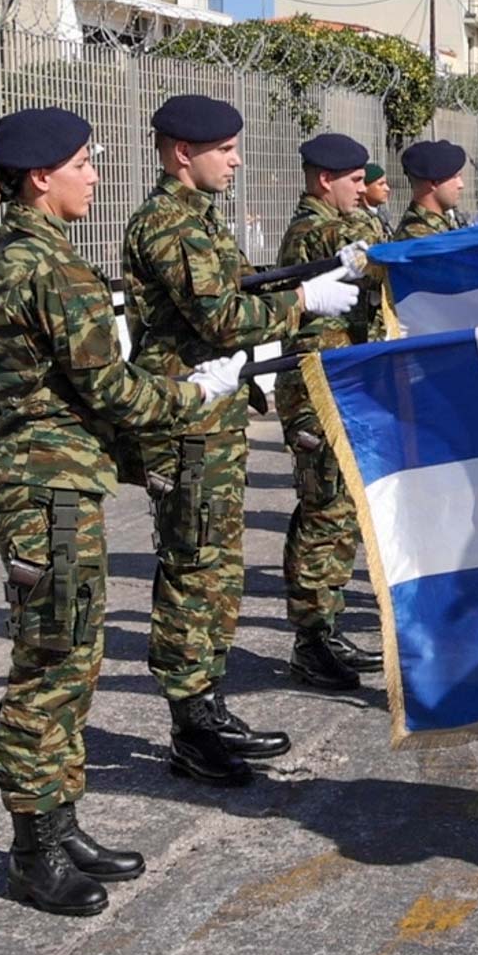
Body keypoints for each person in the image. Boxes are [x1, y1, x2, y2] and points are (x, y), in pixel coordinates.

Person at [0, 106, 248, 917]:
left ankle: (60, 825)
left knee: (70, 658)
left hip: (37, 472)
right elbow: (115, 391)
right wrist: (194, 391)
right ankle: (34, 853)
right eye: (83, 163)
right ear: (42, 177)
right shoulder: (54, 271)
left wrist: (16, 390)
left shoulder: (3, 257)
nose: (95, 175)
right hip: (49, 486)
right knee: (53, 667)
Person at [121, 94, 364, 786]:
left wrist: (299, 282)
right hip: (185, 420)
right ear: (181, 154)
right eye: (222, 151)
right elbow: (224, 318)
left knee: (218, 571)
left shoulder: (198, 219)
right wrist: (304, 302)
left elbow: (229, 296)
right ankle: (191, 724)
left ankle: (206, 707)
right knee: (195, 568)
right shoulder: (169, 224)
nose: (235, 161)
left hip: (213, 417)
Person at [274, 132, 389, 688]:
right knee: (324, 512)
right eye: (356, 181)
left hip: (340, 383)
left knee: (340, 511)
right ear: (326, 180)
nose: (363, 191)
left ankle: (326, 626)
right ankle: (312, 637)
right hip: (316, 388)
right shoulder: (319, 229)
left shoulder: (339, 226)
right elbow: (381, 260)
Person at [394, 139, 469, 239]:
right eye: (455, 177)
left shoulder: (440, 222)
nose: (461, 185)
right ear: (434, 183)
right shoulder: (419, 236)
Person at [360, 161, 393, 232]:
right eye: (381, 184)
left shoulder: (381, 215)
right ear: (365, 187)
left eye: (386, 183)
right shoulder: (359, 218)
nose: (387, 189)